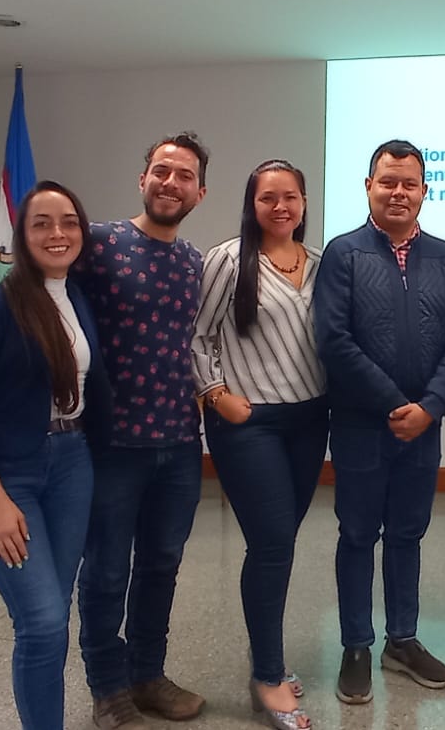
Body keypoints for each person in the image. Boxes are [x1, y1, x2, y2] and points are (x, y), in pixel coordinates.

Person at [0, 134, 211, 730]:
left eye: (184, 175)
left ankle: (148, 674)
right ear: (143, 178)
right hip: (108, 444)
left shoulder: (195, 260)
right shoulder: (101, 245)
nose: (171, 182)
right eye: (161, 170)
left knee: (161, 564)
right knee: (105, 571)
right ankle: (108, 688)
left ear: (200, 191)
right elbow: (20, 298)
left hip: (177, 441)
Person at [313, 139, 445, 705]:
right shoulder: (343, 252)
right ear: (368, 187)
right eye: (388, 181)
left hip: (424, 428)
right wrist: (391, 404)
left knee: (408, 534)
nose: (398, 192)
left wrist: (429, 408)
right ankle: (356, 644)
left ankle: (401, 640)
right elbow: (333, 338)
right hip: (362, 424)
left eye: (409, 183)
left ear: (425, 190)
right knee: (357, 535)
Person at [0, 181, 109, 730]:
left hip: (72, 464)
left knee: (53, 614)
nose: (57, 233)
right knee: (40, 621)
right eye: (42, 222)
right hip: (7, 475)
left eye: (68, 221)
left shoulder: (81, 298)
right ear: (21, 235)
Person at [191, 159, 327, 730]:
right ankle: (268, 675)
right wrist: (216, 394)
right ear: (252, 205)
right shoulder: (228, 260)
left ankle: (263, 658)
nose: (280, 207)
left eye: (290, 197)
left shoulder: (320, 265)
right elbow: (196, 332)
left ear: (303, 203)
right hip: (251, 425)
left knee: (278, 545)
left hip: (309, 420)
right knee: (272, 545)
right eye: (267, 197)